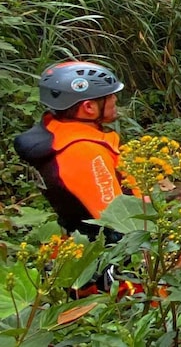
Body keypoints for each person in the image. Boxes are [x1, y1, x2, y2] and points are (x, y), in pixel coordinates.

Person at [14, 61, 134, 296]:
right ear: (89, 107)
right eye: (109, 97)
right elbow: (118, 218)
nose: (115, 101)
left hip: (77, 246)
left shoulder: (56, 133)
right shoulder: (83, 153)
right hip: (104, 264)